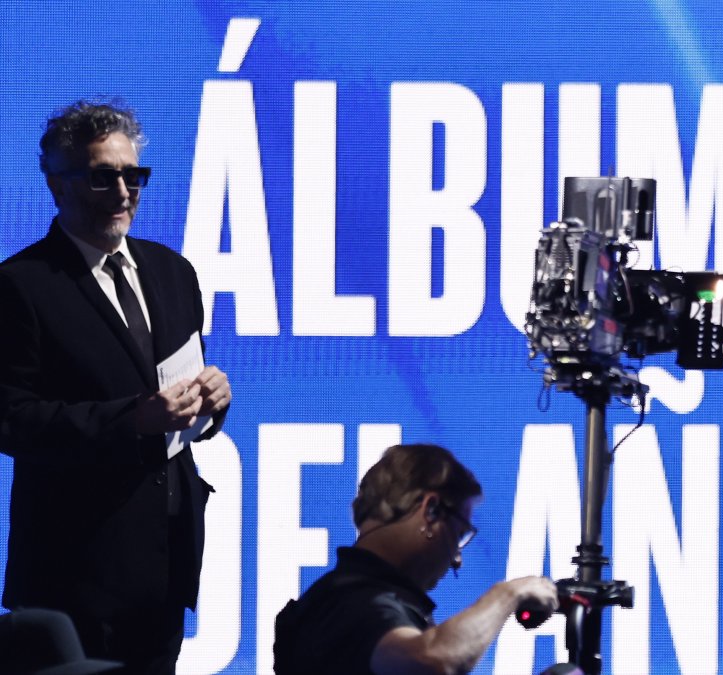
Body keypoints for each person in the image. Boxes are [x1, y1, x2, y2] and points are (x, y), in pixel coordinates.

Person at [0, 100, 231, 674]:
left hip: (165, 562)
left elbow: (181, 381)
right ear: (57, 183)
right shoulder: (22, 286)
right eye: (104, 176)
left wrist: (213, 402)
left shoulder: (173, 272)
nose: (124, 190)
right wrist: (130, 418)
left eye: (134, 175)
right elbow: (11, 419)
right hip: (75, 568)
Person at [273, 443, 559, 675]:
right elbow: (434, 661)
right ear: (431, 510)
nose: (457, 559)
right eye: (458, 534)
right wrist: (508, 593)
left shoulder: (335, 600)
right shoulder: (358, 604)